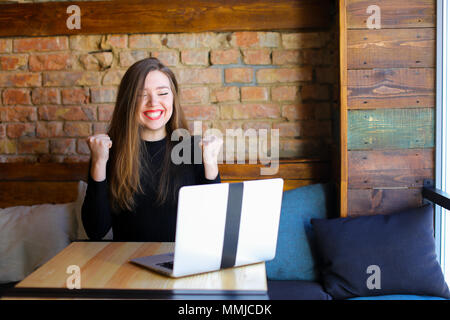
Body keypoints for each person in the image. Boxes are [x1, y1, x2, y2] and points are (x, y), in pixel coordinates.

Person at [81, 57, 223, 241]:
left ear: (173, 98)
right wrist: (99, 163)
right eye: (142, 95)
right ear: (129, 101)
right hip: (127, 263)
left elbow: (214, 224)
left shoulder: (194, 149)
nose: (153, 102)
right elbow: (95, 231)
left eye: (163, 93)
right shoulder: (108, 152)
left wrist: (210, 164)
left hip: (180, 262)